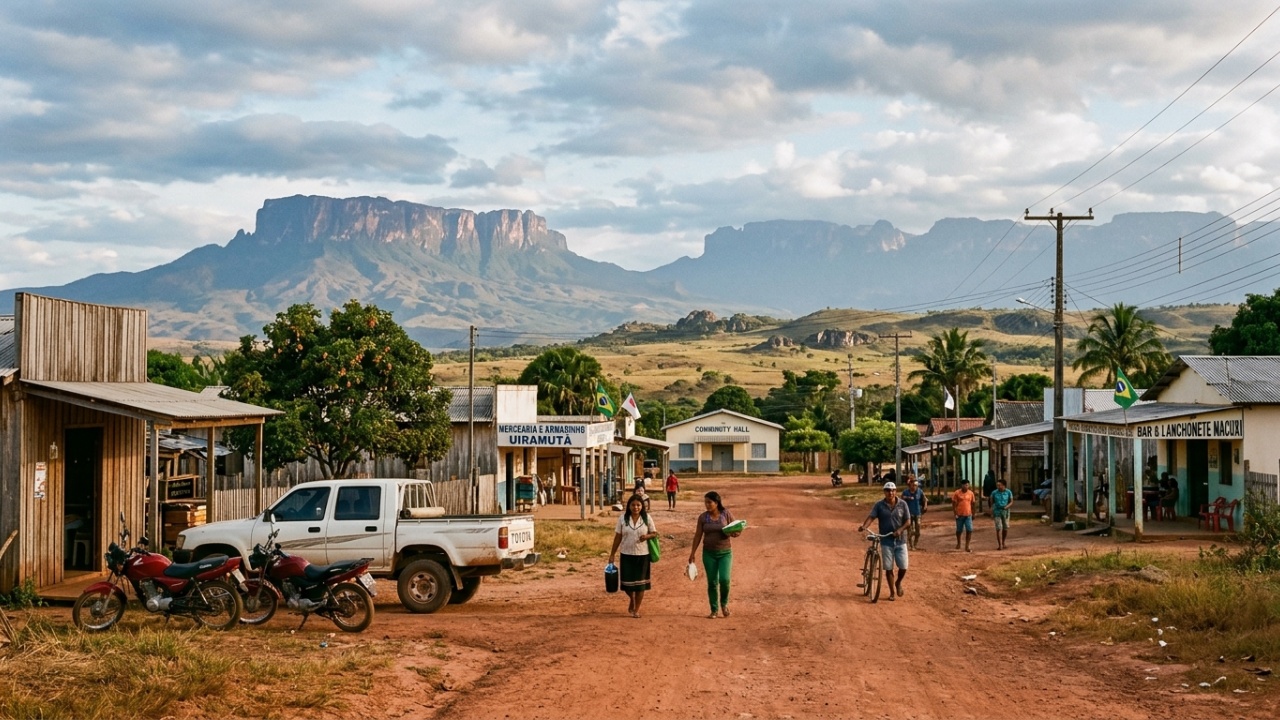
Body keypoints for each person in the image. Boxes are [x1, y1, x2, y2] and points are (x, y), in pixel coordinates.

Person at [688, 491, 741, 618]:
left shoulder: (726, 514)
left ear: (716, 503)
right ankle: (714, 609)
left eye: (709, 502)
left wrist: (735, 533)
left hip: (725, 553)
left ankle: (724, 604)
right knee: (712, 582)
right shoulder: (703, 517)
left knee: (725, 580)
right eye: (705, 502)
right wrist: (692, 552)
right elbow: (698, 535)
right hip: (708, 554)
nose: (707, 505)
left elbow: (737, 528)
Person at [858, 481, 911, 601]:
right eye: (888, 490)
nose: (890, 493)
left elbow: (908, 521)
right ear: (884, 492)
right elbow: (871, 517)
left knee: (903, 566)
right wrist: (864, 526)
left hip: (900, 540)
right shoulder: (879, 505)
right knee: (888, 568)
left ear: (895, 492)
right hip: (886, 540)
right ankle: (892, 592)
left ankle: (898, 583)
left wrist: (900, 530)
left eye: (892, 490)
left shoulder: (903, 504)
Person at [608, 494, 659, 618]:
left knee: (641, 584)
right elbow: (618, 537)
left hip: (643, 555)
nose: (635, 507)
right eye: (633, 505)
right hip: (626, 554)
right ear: (629, 506)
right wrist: (612, 554)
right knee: (627, 584)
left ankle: (636, 609)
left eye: (638, 505)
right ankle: (632, 598)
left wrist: (646, 536)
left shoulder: (647, 518)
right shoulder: (622, 519)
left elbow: (654, 533)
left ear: (642, 506)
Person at [900, 475, 927, 550]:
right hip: (909, 514)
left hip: (918, 513)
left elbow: (924, 499)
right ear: (910, 484)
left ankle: (915, 544)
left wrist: (925, 506)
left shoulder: (919, 491)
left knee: (918, 531)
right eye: (913, 485)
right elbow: (901, 500)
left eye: (916, 485)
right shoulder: (906, 492)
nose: (914, 487)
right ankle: (911, 546)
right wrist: (907, 498)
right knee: (910, 530)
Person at [951, 479, 976, 552]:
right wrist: (955, 513)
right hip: (959, 515)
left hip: (968, 514)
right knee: (959, 530)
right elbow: (953, 504)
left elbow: (973, 504)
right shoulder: (957, 493)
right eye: (965, 485)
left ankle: (967, 546)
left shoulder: (971, 493)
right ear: (962, 485)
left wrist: (973, 513)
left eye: (967, 485)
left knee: (969, 529)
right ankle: (958, 542)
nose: (966, 486)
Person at [990, 479, 1013, 550]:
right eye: (997, 485)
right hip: (997, 511)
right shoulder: (994, 492)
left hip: (1005, 511)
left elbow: (1011, 501)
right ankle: (999, 544)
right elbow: (991, 501)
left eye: (999, 485)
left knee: (1005, 527)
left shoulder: (1008, 492)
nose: (998, 486)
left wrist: (1007, 507)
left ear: (1004, 485)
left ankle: (1003, 542)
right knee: (998, 528)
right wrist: (992, 509)